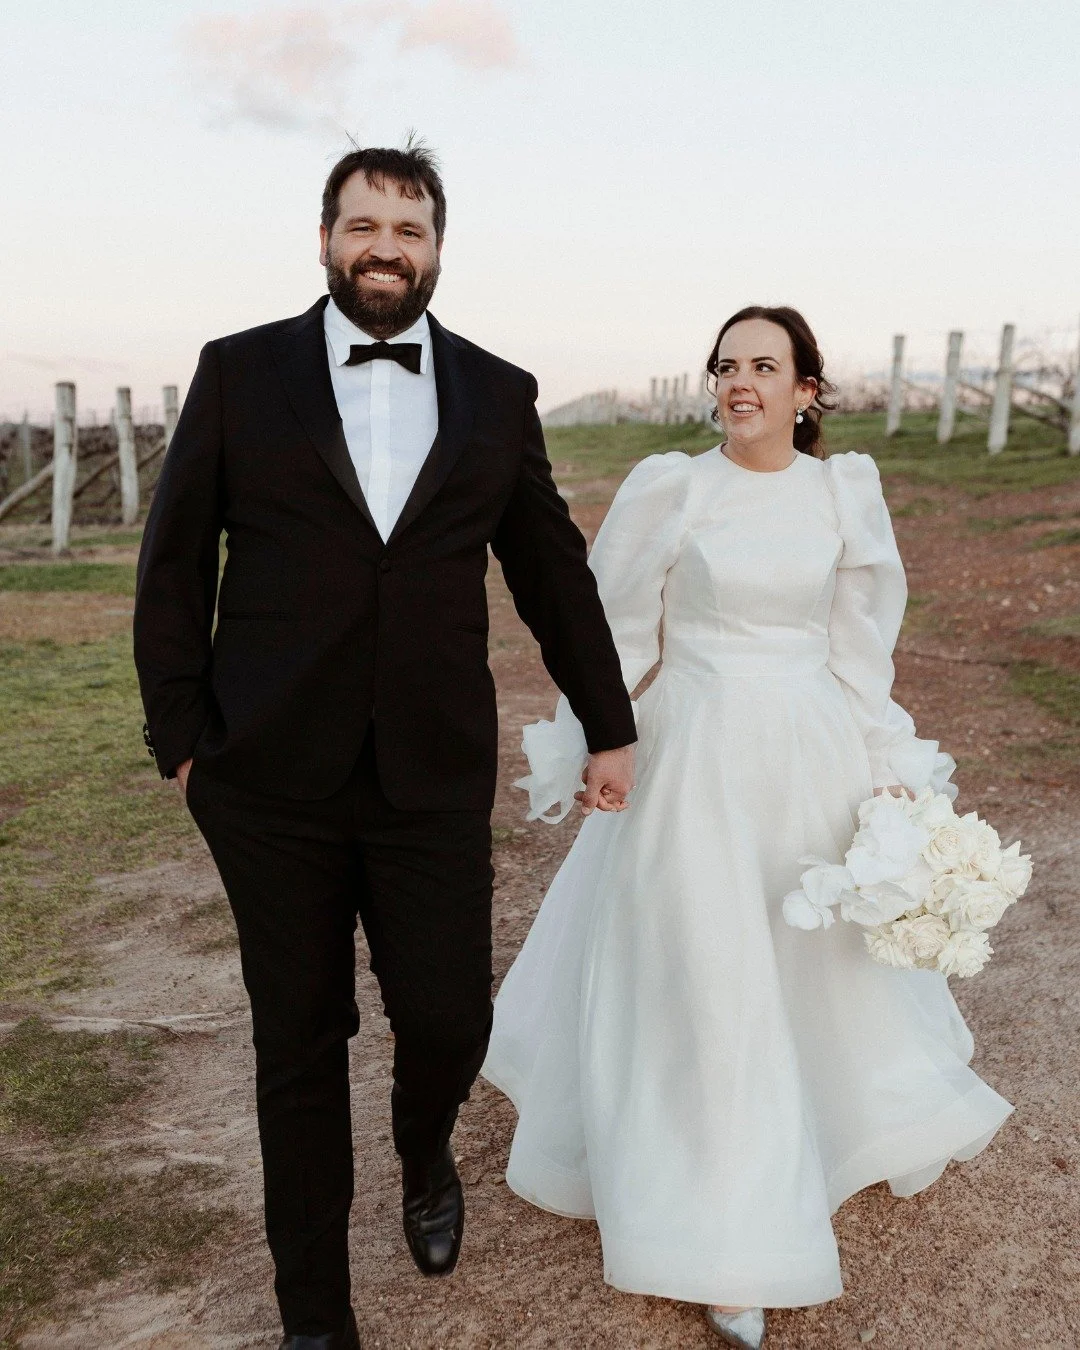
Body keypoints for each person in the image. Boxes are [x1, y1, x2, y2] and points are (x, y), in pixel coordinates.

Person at [132, 140, 637, 1350]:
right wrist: (183, 741)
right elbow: (172, 562)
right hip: (265, 777)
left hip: (429, 774)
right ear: (324, 238)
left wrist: (609, 725)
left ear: (437, 251)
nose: (384, 251)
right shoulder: (239, 373)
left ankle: (425, 1154)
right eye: (364, 227)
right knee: (297, 1042)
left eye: (408, 232)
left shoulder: (498, 394)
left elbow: (553, 578)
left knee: (449, 1016)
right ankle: (317, 1315)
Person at [481, 306, 1013, 1348]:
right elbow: (618, 622)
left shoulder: (842, 493)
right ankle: (728, 1228)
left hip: (808, 756)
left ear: (807, 392)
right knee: (710, 979)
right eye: (726, 365)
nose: (740, 382)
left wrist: (885, 766)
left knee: (805, 967)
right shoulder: (673, 487)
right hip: (697, 760)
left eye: (765, 367)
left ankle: (808, 1137)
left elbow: (861, 648)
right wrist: (600, 735)